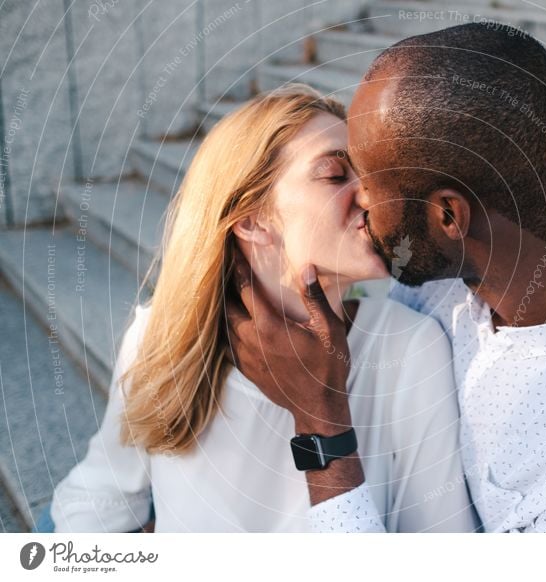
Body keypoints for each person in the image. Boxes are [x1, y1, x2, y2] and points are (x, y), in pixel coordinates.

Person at [228, 24, 546, 533]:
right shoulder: (443, 272)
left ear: (448, 218)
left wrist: (322, 427)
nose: (357, 201)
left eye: (370, 182)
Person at [46, 84, 479, 533]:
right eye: (334, 175)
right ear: (253, 221)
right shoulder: (161, 336)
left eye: (366, 177)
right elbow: (99, 496)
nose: (371, 198)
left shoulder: (410, 349)